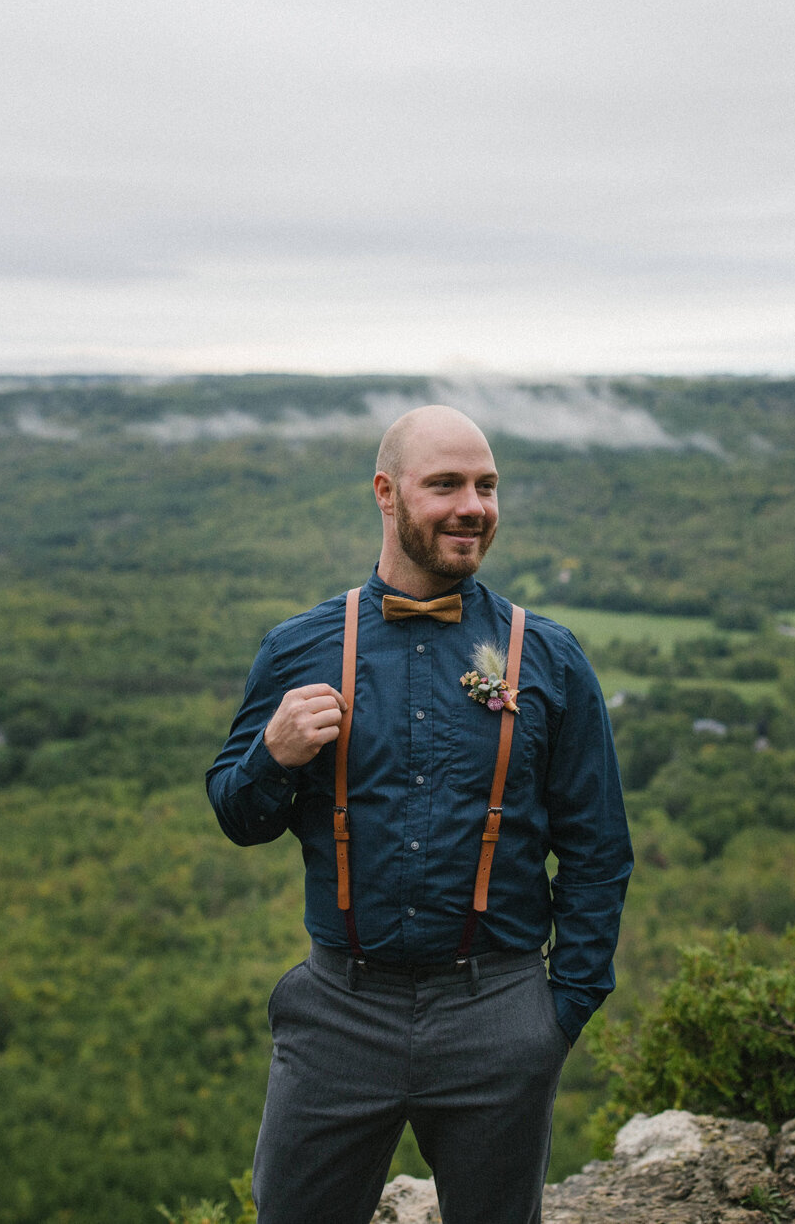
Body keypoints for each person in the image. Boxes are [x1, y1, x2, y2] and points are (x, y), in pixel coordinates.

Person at [207, 405, 633, 1224]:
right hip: (338, 1008)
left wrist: (556, 1015)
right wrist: (274, 752)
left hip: (498, 1005)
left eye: (487, 485)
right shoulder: (298, 646)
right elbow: (238, 812)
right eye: (445, 484)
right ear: (386, 493)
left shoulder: (548, 656)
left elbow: (597, 849)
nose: (473, 504)